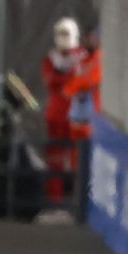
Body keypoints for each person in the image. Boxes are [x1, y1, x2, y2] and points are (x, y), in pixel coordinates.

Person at [41, 17, 90, 202]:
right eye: (60, 33)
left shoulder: (83, 57)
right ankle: (55, 197)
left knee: (79, 158)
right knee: (55, 158)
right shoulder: (50, 59)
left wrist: (67, 81)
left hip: (78, 116)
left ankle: (79, 199)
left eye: (66, 33)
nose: (63, 37)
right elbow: (50, 80)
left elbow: (81, 82)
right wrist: (69, 79)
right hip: (56, 115)